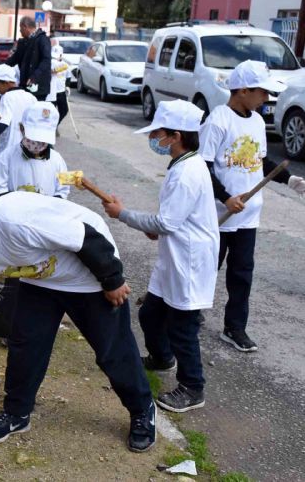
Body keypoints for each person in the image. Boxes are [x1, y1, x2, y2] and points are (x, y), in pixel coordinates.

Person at [0, 187, 156, 452]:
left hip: (89, 272)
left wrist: (112, 280)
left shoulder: (18, 221)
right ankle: (17, 413)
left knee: (112, 350)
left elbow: (86, 237)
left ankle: (142, 409)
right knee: (25, 345)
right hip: (41, 278)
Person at [103, 100, 218, 413]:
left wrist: (122, 214)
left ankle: (193, 387)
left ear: (176, 136)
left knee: (183, 328)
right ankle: (162, 358)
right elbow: (172, 219)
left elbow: (168, 222)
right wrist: (159, 226)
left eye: (158, 133)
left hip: (190, 261)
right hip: (176, 254)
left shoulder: (187, 172)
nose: (154, 138)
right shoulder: (184, 165)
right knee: (150, 314)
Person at [199, 60, 305, 352]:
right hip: (219, 215)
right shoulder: (217, 120)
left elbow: (262, 162)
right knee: (207, 270)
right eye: (263, 92)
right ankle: (189, 317)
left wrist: (290, 180)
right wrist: (224, 198)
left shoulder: (258, 122)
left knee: (242, 274)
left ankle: (234, 328)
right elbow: (203, 168)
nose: (267, 99)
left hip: (248, 217)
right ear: (243, 90)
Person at [0, 102, 69, 199]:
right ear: (22, 128)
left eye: (43, 140)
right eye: (34, 138)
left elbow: (64, 188)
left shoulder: (58, 160)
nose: (38, 145)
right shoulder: (7, 157)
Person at [0, 64, 37, 158]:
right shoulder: (31, 97)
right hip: (28, 146)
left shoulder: (7, 97)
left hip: (10, 148)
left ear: (6, 82)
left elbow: (5, 121)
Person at [5, 16, 51, 100]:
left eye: (20, 28)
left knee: (36, 110)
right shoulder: (23, 42)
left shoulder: (42, 39)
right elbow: (14, 59)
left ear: (25, 27)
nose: (20, 31)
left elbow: (46, 60)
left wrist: (34, 76)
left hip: (38, 86)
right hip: (25, 84)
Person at [45, 45, 70, 129]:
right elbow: (55, 69)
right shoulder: (50, 63)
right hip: (51, 92)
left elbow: (68, 76)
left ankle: (55, 125)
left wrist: (67, 86)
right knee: (50, 112)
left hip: (61, 91)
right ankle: (49, 127)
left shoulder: (64, 64)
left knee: (64, 110)